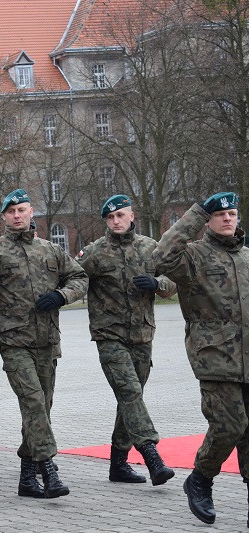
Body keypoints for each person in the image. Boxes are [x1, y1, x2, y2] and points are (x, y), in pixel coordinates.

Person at [0, 188, 87, 499]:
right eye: (11, 211)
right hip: (13, 343)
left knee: (40, 409)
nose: (17, 216)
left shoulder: (50, 250)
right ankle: (48, 470)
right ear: (3, 216)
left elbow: (80, 278)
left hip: (47, 342)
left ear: (31, 211)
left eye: (22, 210)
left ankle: (26, 478)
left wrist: (62, 295)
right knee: (33, 403)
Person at [153, 192, 249, 526]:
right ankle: (201, 479)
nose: (227, 219)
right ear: (208, 219)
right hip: (216, 357)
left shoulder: (248, 257)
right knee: (229, 426)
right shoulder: (192, 256)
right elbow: (158, 259)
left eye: (232, 213)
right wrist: (195, 213)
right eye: (219, 214)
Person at [78, 194, 176, 485]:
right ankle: (151, 456)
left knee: (130, 398)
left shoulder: (150, 247)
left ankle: (118, 464)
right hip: (110, 336)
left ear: (132, 216)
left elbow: (173, 282)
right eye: (110, 218)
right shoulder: (94, 252)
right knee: (130, 392)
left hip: (143, 335)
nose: (116, 221)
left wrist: (157, 283)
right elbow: (73, 279)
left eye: (120, 215)